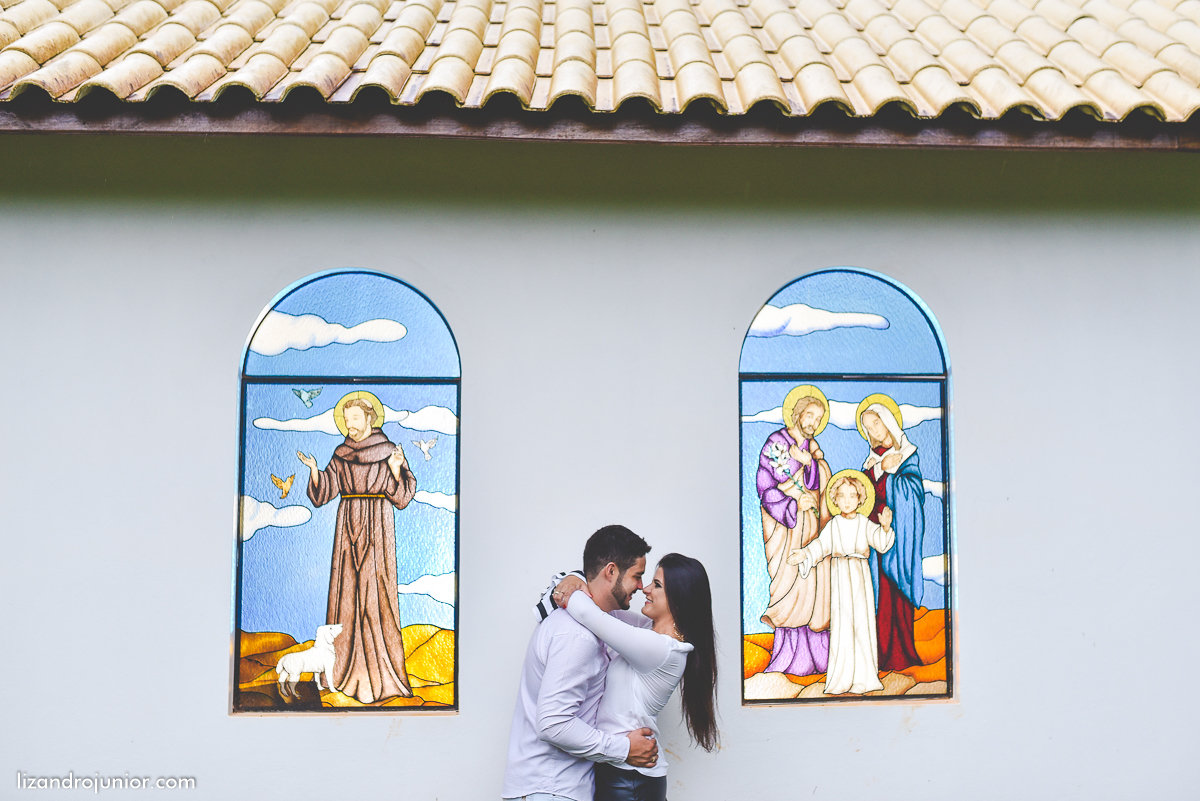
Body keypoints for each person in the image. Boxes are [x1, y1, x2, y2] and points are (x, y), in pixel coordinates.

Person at [502, 525, 660, 801]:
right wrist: (624, 748)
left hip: (551, 788)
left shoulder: (595, 621)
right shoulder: (577, 636)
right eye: (637, 576)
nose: (641, 586)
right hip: (551, 789)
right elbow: (553, 724)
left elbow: (655, 629)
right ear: (611, 571)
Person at [551, 553, 719, 801]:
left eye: (657, 585)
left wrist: (567, 585)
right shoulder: (646, 633)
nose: (646, 589)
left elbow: (590, 615)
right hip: (620, 771)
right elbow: (602, 605)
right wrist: (575, 578)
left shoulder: (661, 649)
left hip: (629, 781)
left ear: (679, 600)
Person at [296, 392, 415, 703]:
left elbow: (400, 497)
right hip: (347, 526)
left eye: (354, 420)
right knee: (346, 595)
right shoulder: (341, 453)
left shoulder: (388, 451)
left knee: (378, 595)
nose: (349, 426)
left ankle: (381, 675)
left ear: (369, 419)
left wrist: (396, 468)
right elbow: (325, 492)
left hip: (377, 525)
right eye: (346, 421)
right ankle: (342, 673)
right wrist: (313, 471)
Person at [788, 472, 894, 694]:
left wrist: (884, 528)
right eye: (842, 496)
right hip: (840, 576)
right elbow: (820, 546)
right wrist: (804, 555)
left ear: (860, 499)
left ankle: (864, 678)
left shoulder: (865, 523)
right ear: (835, 499)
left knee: (861, 623)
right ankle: (843, 678)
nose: (847, 500)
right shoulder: (834, 524)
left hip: (860, 575)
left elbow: (881, 544)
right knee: (843, 624)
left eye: (852, 496)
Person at [754, 386, 833, 676]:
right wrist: (793, 501)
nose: (813, 422)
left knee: (814, 588)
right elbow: (765, 485)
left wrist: (812, 464)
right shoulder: (775, 442)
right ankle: (790, 658)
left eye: (819, 418)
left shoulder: (813, 449)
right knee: (789, 584)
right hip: (787, 527)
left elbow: (821, 480)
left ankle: (819, 655)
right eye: (810, 415)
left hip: (811, 526)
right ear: (797, 413)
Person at [857, 397, 926, 671]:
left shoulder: (908, 454)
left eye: (876, 423)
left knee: (898, 595)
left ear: (887, 421)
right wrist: (880, 470)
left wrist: (892, 478)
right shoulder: (871, 461)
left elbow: (915, 492)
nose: (874, 431)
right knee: (880, 596)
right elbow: (863, 493)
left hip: (901, 537)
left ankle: (904, 654)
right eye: (868, 428)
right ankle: (881, 655)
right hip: (877, 539)